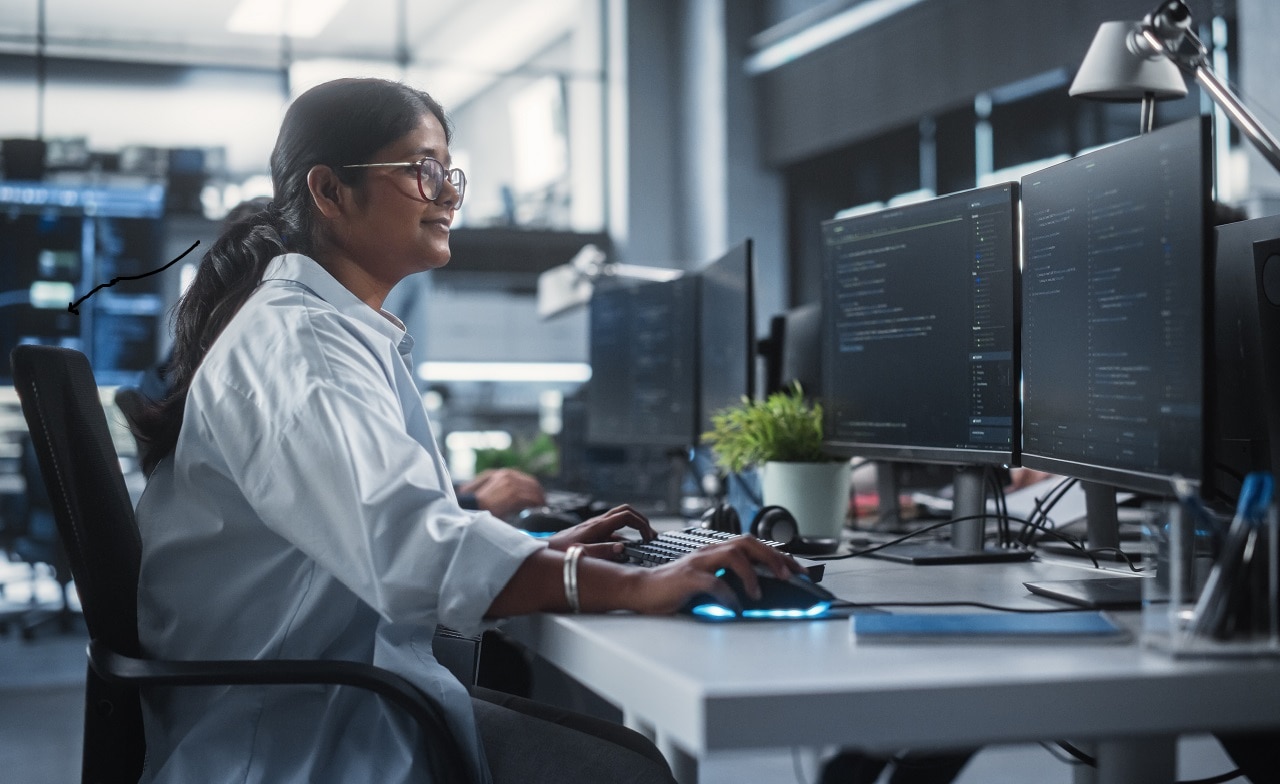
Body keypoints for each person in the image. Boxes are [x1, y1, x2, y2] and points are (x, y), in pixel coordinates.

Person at [128, 77, 799, 784]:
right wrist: (633, 586)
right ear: (329, 191)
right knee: (624, 771)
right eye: (421, 170)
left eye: (449, 171)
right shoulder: (305, 346)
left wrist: (534, 557)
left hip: (331, 701)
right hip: (297, 742)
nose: (448, 192)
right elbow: (410, 552)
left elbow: (392, 538)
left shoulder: (320, 329)